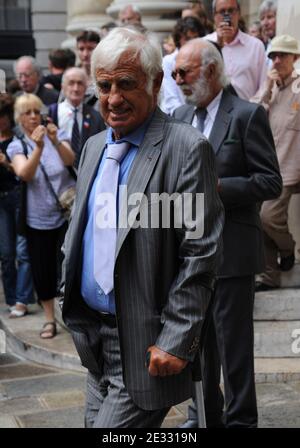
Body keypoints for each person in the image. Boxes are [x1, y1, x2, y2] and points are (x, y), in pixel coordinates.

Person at [61, 27, 224, 428]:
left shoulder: (185, 148)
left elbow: (200, 253)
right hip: (93, 341)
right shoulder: (96, 147)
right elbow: (81, 232)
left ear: (155, 83)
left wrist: (175, 340)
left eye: (126, 84)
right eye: (104, 86)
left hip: (145, 344)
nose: (113, 98)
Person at [173, 38, 282, 427]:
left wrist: (219, 187)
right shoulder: (181, 117)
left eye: (184, 72)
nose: (177, 78)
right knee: (197, 345)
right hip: (190, 254)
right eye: (174, 72)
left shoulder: (246, 115)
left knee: (234, 348)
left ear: (211, 71)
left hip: (232, 252)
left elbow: (270, 181)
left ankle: (240, 421)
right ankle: (203, 415)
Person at [7, 94, 75, 338]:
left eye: (37, 111)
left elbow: (71, 160)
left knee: (71, 265)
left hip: (67, 214)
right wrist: (38, 148)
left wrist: (54, 141)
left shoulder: (56, 134)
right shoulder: (18, 145)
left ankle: (73, 315)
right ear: (20, 119)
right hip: (38, 219)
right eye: (28, 113)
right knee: (43, 269)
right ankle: (49, 319)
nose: (34, 117)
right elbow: (24, 173)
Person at [252, 35, 300, 291]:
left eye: (282, 55)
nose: (277, 60)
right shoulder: (270, 86)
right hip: (269, 165)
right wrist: (267, 89)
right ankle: (270, 275)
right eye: (273, 55)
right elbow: (250, 113)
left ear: (295, 58)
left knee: (268, 217)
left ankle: (287, 247)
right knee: (260, 220)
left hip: (290, 165)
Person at [0, 93, 34, 318]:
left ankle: (22, 299)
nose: (1, 121)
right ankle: (12, 298)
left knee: (23, 251)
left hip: (19, 195)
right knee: (6, 252)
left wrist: (7, 164)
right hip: (1, 200)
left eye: (4, 116)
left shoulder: (18, 140)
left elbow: (24, 173)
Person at [205, 0, 267, 100]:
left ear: (239, 13)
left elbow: (263, 85)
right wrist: (218, 44)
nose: (227, 16)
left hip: (247, 110)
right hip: (214, 112)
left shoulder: (255, 46)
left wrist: (253, 108)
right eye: (222, 11)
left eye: (231, 11)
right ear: (214, 16)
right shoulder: (204, 44)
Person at [48, 67, 105, 168]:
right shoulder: (51, 113)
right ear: (63, 87)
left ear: (86, 88)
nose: (76, 88)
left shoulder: (95, 116)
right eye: (71, 83)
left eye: (80, 83)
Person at [160, 16, 206, 115]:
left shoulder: (205, 59)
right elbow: (171, 99)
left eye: (195, 38)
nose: (192, 43)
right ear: (179, 39)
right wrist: (188, 118)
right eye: (187, 39)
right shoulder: (169, 61)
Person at [76, 30, 100, 107]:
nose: (85, 54)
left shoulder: (106, 75)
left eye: (90, 49)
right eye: (81, 49)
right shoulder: (71, 75)